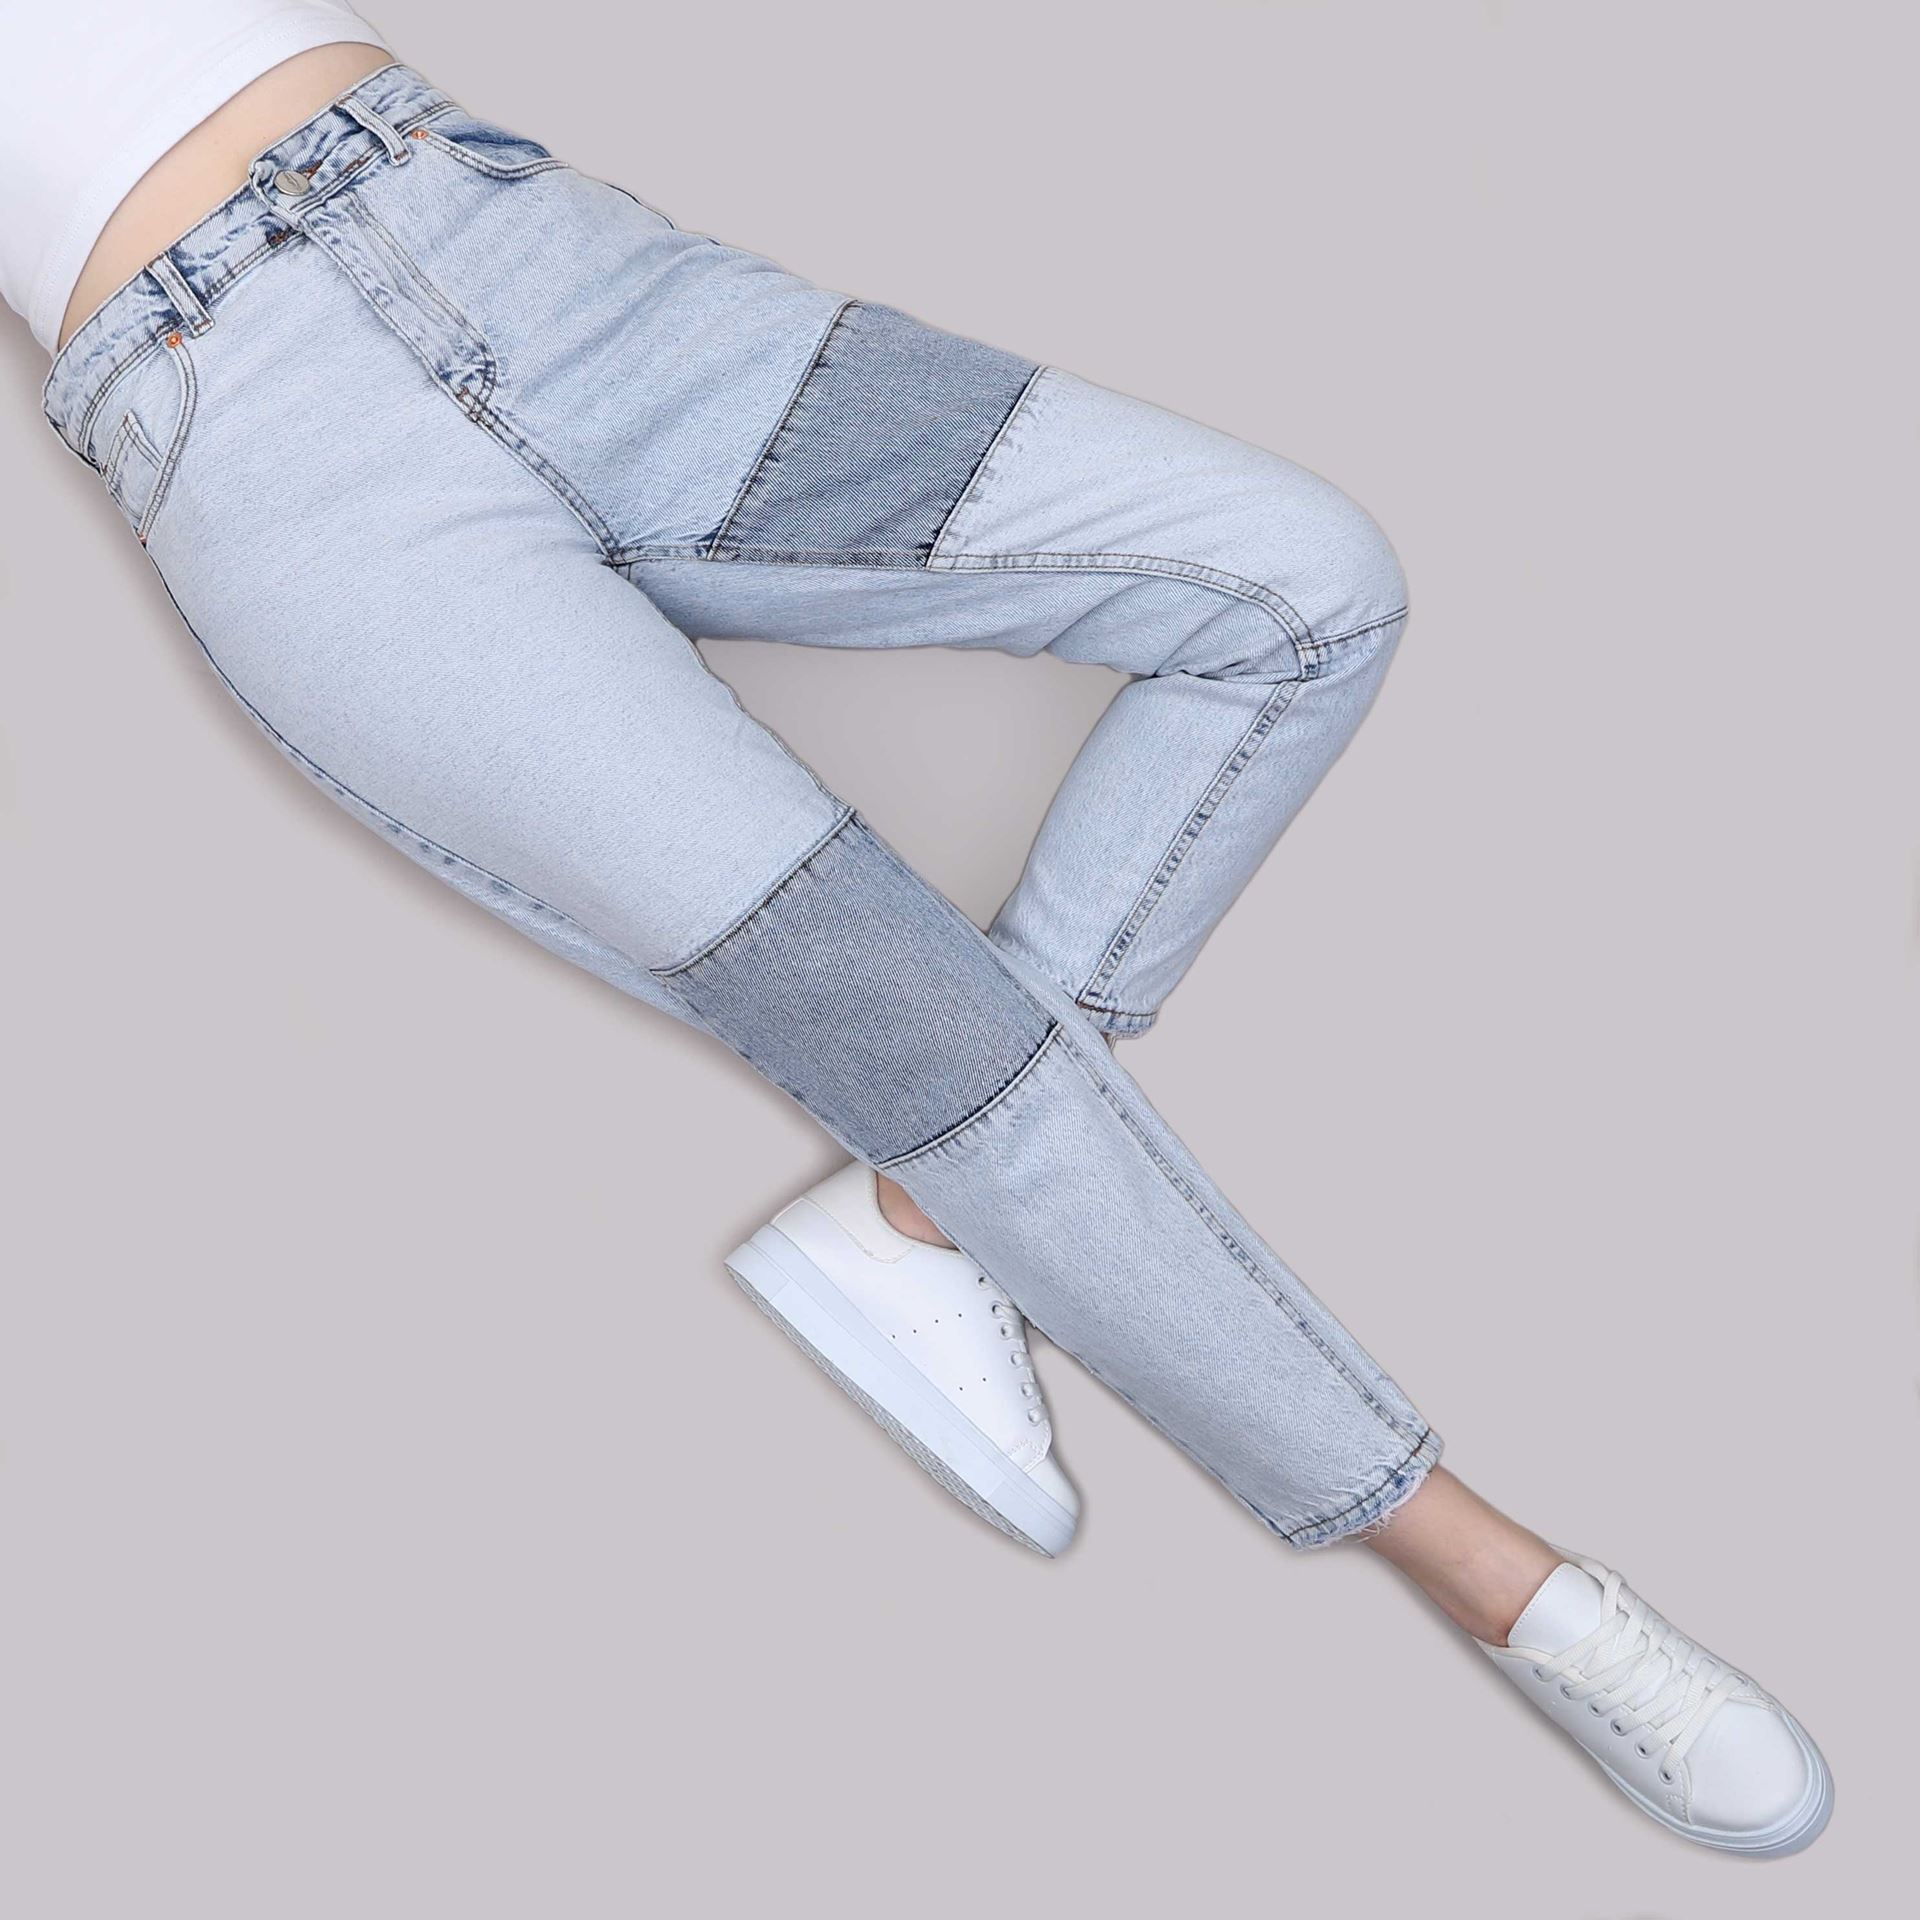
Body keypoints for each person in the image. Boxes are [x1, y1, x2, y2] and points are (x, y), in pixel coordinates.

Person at [6, 3, 1833, 1858]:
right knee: (908, 1017)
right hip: (276, 460)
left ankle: (919, 1209)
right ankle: (1501, 1579)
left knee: (1301, 583)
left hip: (513, 240)